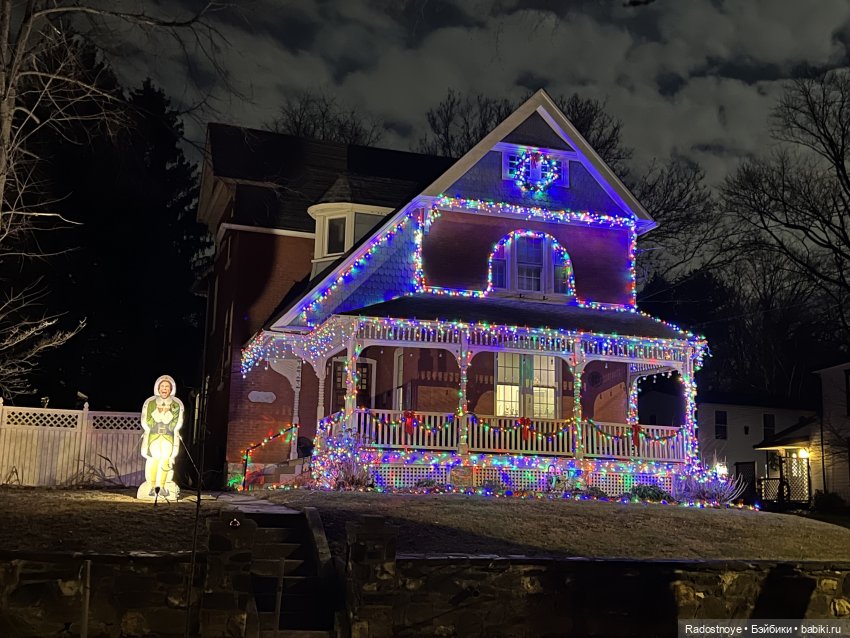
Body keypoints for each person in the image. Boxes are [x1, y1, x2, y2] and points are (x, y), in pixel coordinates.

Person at [137, 375, 184, 500]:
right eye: (162, 386)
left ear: (170, 389)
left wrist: (166, 415)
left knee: (165, 460)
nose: (164, 389)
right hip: (154, 436)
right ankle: (152, 486)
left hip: (168, 437)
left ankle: (162, 486)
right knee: (154, 459)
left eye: (167, 387)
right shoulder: (151, 403)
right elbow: (148, 420)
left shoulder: (175, 405)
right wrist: (159, 415)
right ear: (158, 388)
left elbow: (175, 422)